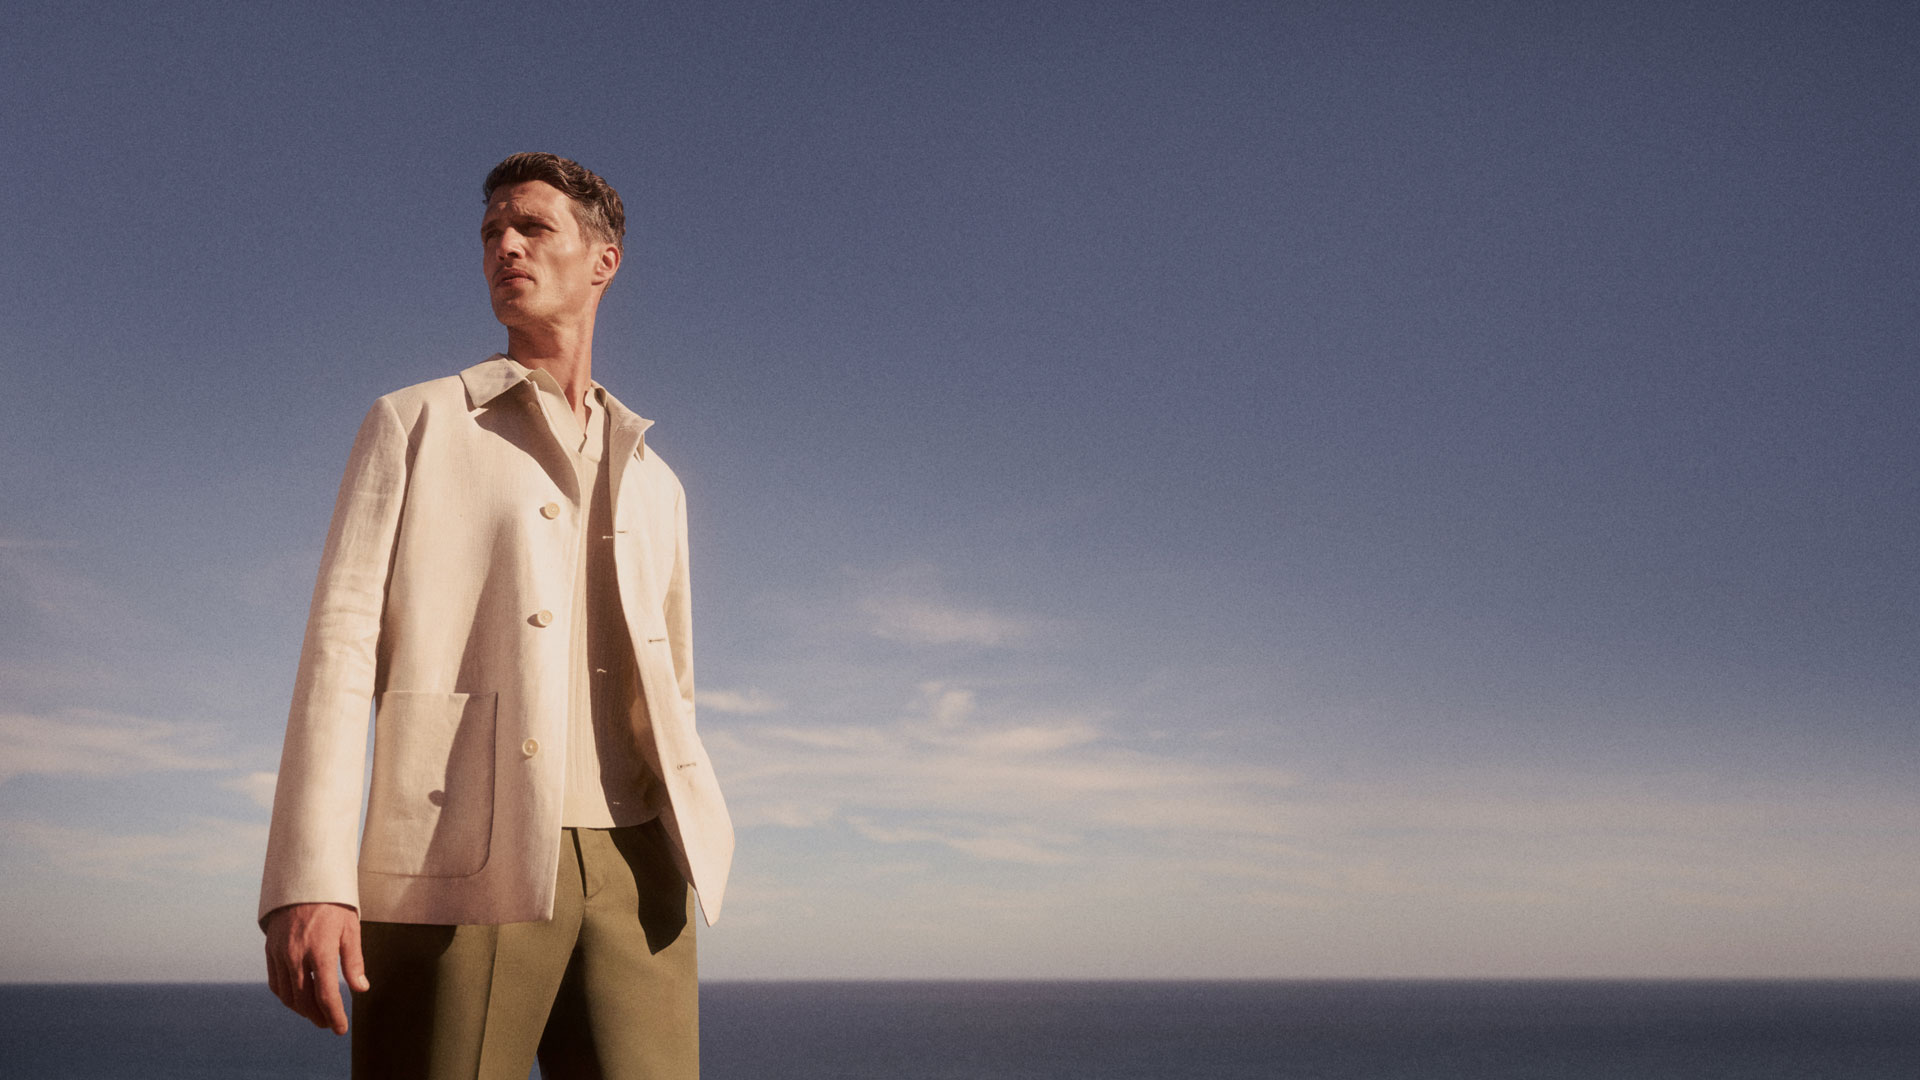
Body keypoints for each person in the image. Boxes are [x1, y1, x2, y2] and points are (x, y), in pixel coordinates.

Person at [259, 152, 734, 1079]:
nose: (505, 247)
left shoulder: (657, 477)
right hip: (456, 860)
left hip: (643, 873)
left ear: (604, 261)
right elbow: (339, 653)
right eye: (491, 234)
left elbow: (672, 680)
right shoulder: (417, 422)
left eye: (533, 227)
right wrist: (310, 881)